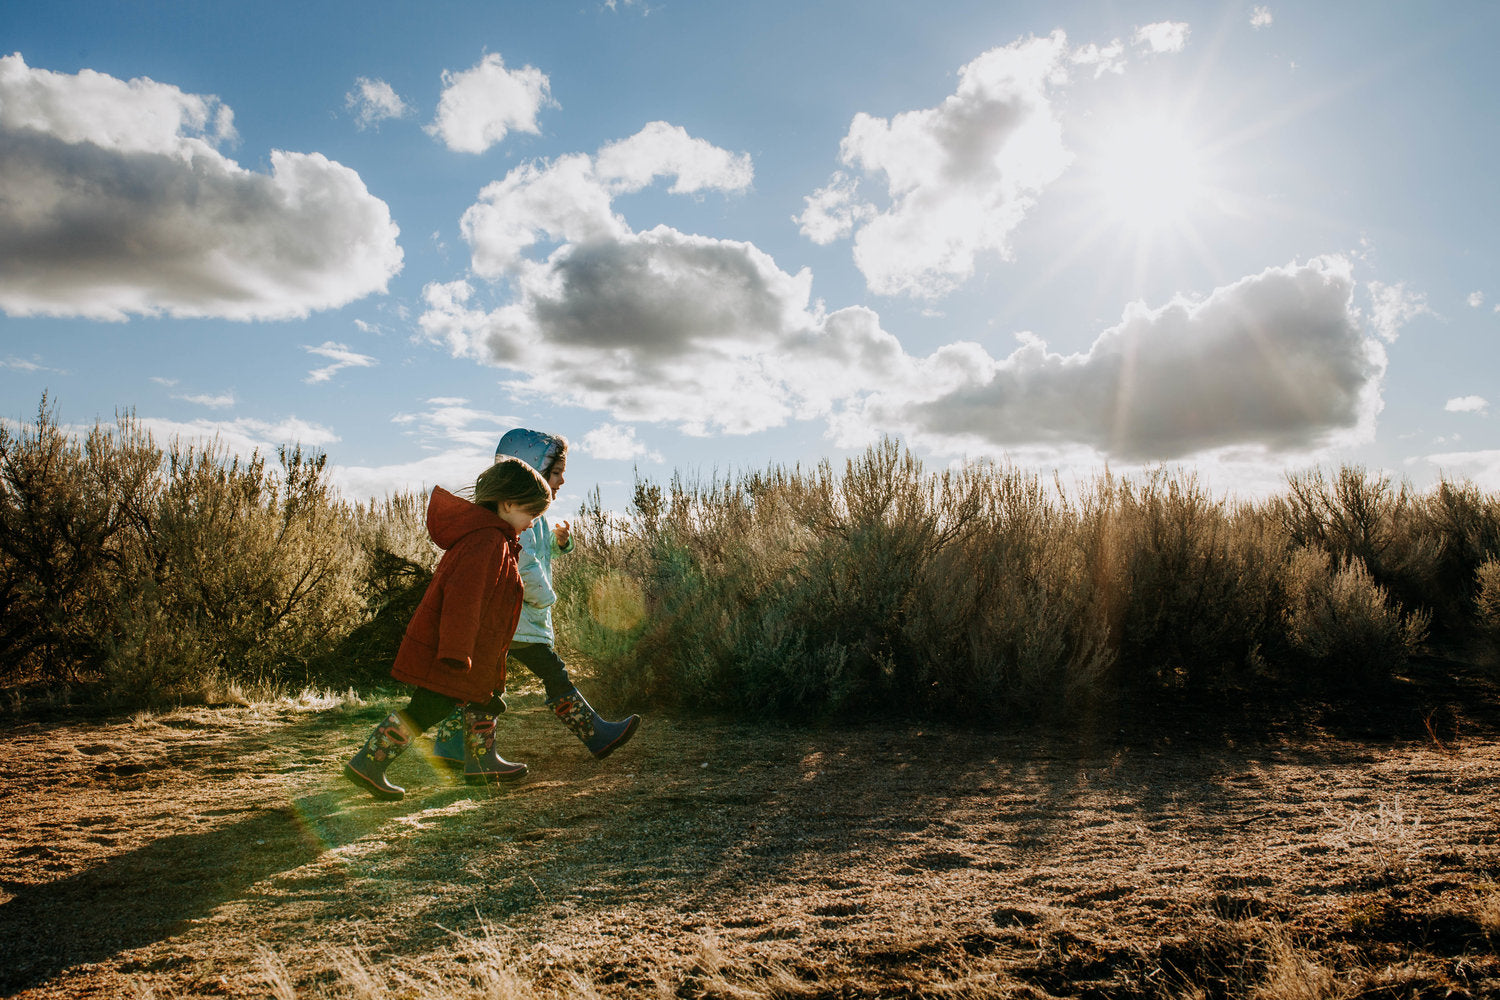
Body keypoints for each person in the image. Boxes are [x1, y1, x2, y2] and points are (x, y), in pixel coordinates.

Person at [343, 457, 553, 801]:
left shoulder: (494, 540)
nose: (532, 523)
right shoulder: (487, 542)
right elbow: (463, 600)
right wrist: (456, 652)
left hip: (473, 651)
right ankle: (368, 764)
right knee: (428, 709)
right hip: (456, 652)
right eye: (531, 513)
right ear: (508, 503)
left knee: (485, 699)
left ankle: (482, 761)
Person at [432, 428, 639, 768]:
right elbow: (524, 566)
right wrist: (546, 597)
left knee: (478, 683)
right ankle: (596, 735)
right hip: (517, 619)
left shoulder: (530, 515)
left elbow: (538, 555)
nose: (562, 481)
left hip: (513, 620)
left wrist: (559, 544)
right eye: (556, 473)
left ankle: (451, 748)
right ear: (531, 470)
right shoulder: (516, 519)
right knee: (546, 674)